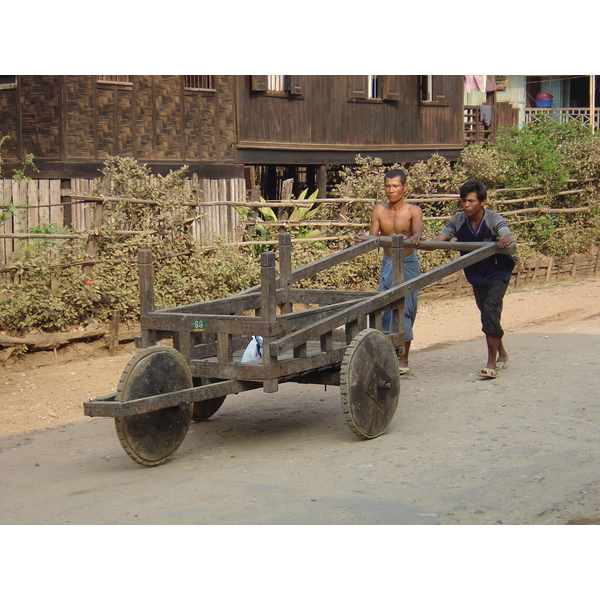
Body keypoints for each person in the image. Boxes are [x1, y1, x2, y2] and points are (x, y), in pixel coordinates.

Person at [433, 179, 515, 379]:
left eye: (471, 201)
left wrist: (505, 240)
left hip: (497, 271)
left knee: (490, 310)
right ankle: (502, 353)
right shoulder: (458, 220)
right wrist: (418, 242)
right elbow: (439, 240)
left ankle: (491, 363)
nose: (466, 205)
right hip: (476, 274)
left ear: (483, 202)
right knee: (488, 314)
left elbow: (506, 233)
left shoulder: (493, 219)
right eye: (464, 201)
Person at [358, 168, 423, 374]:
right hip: (388, 262)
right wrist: (361, 239)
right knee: (385, 307)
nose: (391, 190)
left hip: (408, 262)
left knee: (406, 307)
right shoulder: (379, 210)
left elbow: (418, 231)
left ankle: (403, 359)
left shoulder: (413, 211)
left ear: (404, 187)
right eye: (387, 185)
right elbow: (373, 236)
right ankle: (388, 354)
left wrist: (415, 237)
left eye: (395, 186)